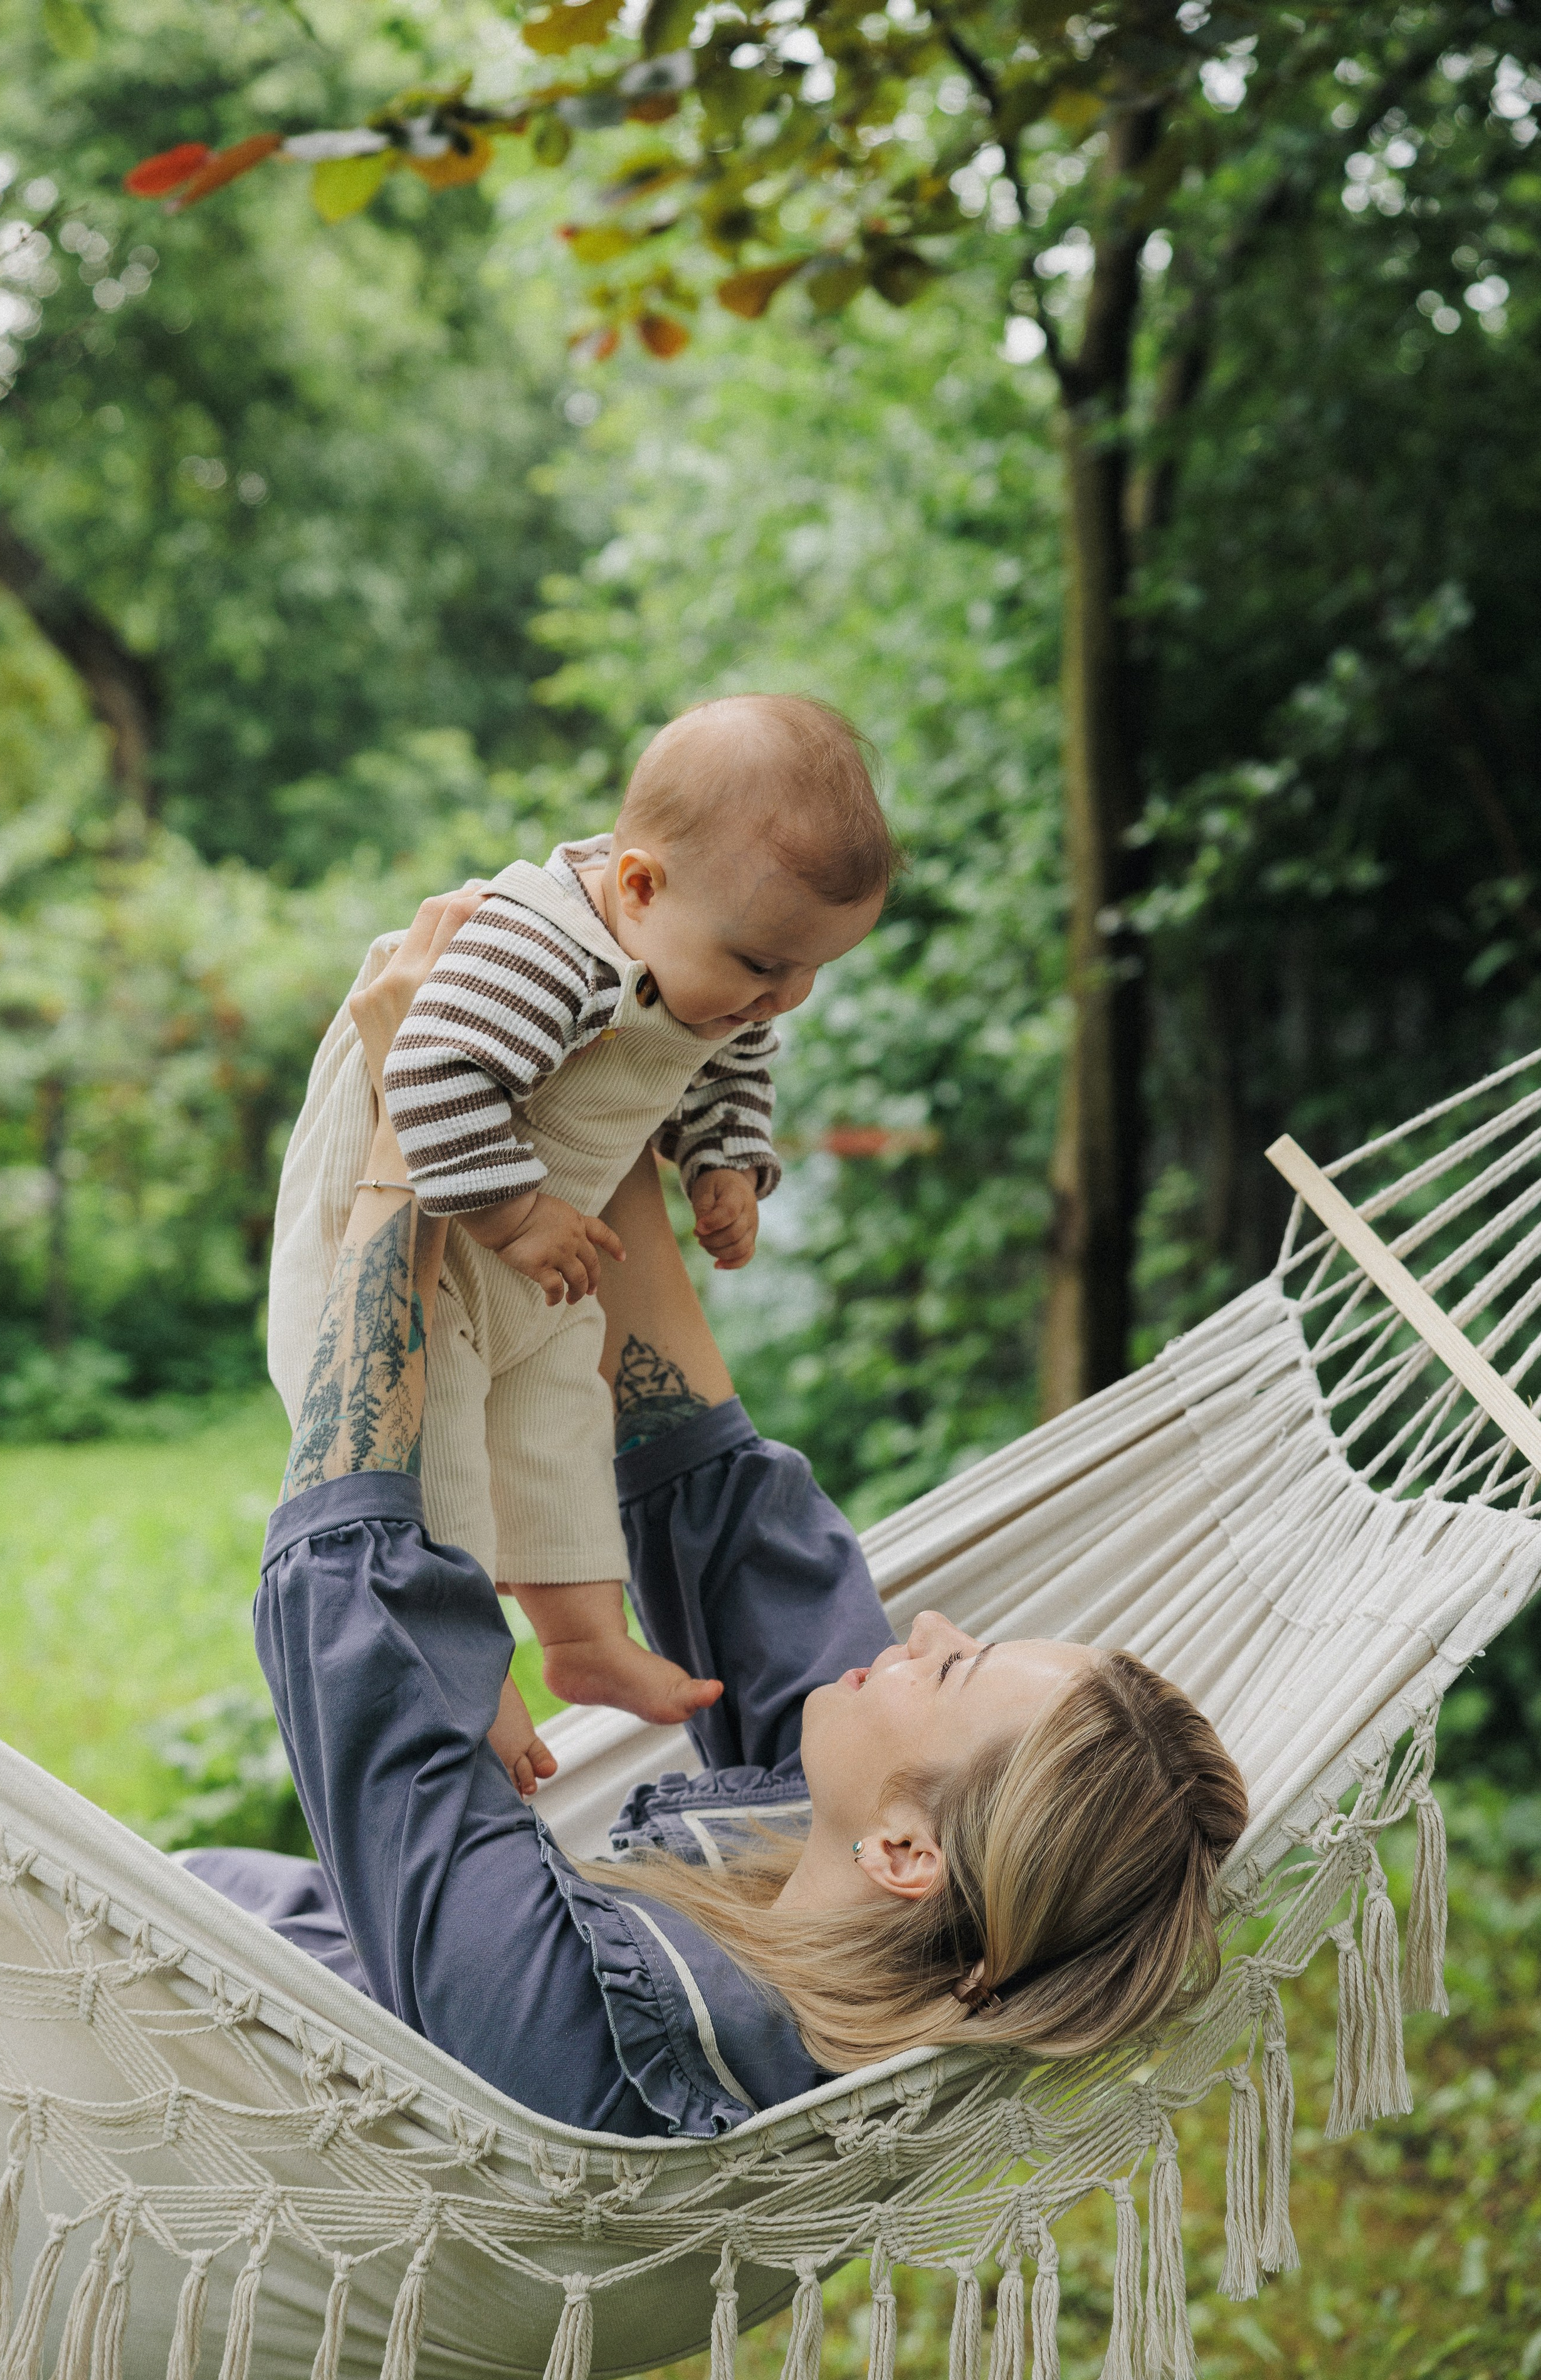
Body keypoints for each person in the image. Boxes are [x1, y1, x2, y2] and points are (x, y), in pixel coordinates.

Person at [189, 895, 1249, 2139]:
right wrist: (615, 1081)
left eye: (955, 1668)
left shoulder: (585, 2063)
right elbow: (720, 1502)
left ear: (906, 1856)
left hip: (151, 2083)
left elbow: (356, 1629)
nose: (930, 1627)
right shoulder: (843, 1863)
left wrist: (407, 1129)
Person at [267, 694, 900, 1734]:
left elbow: (733, 1061)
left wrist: (726, 1165)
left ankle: (583, 1642)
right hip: (402, 1255)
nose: (782, 998)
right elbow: (428, 1070)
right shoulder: (538, 951)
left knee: (562, 1425)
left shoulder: (718, 955)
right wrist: (516, 1217)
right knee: (443, 1468)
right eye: (763, 967)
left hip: (535, 1252)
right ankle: (466, 1678)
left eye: (811, 972)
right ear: (639, 886)